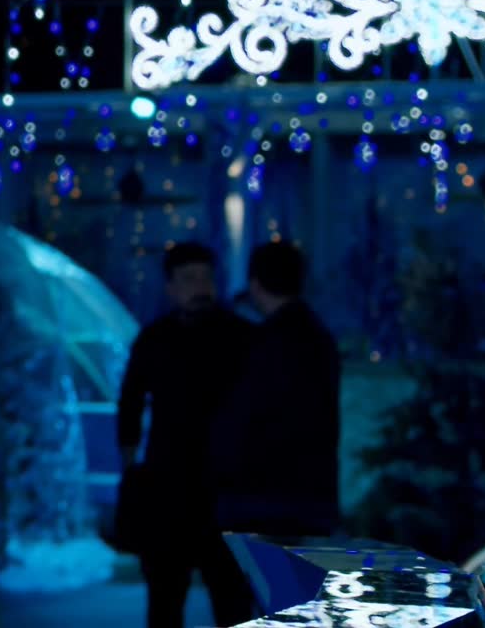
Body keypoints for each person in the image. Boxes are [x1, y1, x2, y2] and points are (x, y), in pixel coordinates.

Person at [116, 241, 254, 628]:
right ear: (171, 287)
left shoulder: (240, 337)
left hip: (227, 488)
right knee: (165, 597)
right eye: (190, 278)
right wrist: (131, 468)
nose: (200, 287)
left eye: (206, 278)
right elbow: (130, 401)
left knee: (230, 598)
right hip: (169, 485)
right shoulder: (155, 338)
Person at [211, 240, 340, 538]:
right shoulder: (319, 338)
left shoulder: (262, 343)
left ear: (255, 284)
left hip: (261, 495)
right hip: (310, 492)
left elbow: (242, 417)